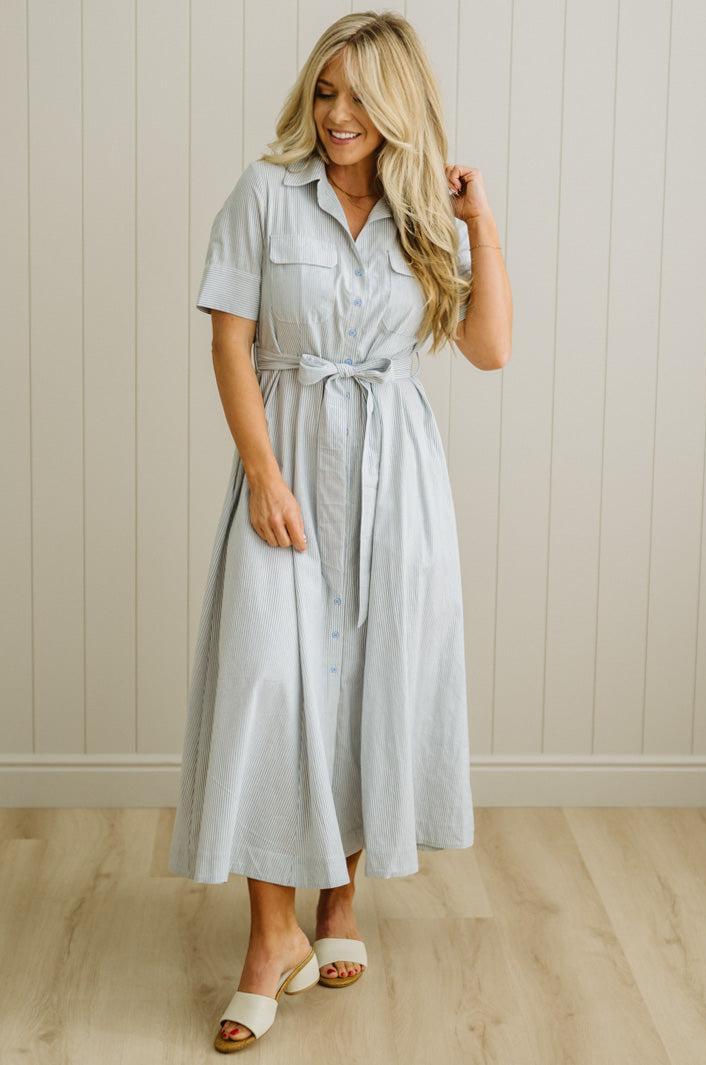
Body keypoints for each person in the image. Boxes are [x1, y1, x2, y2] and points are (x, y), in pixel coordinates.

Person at [168, 9, 512, 1053]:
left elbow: (489, 348)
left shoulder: (421, 212)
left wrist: (478, 222)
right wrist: (263, 473)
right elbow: (231, 343)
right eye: (325, 91)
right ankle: (268, 939)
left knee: (368, 684)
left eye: (359, 95)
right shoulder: (265, 194)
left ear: (397, 104)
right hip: (289, 463)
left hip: (396, 480)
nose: (337, 114)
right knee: (272, 686)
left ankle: (339, 902)